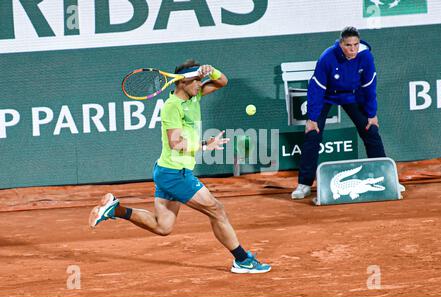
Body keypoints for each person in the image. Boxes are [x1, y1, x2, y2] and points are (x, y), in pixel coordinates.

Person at [89, 59, 271, 274]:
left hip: (166, 171)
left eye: (200, 80)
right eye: (195, 81)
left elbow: (222, 81)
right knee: (217, 211)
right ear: (182, 82)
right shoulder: (171, 107)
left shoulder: (195, 97)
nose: (199, 84)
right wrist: (206, 145)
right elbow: (177, 143)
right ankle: (242, 260)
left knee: (162, 227)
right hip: (176, 173)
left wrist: (210, 71)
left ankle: (116, 209)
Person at [292, 26, 405, 199]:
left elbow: (369, 87)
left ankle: (386, 179)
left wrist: (371, 113)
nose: (352, 49)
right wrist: (312, 118)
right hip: (327, 95)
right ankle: (304, 184)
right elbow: (316, 89)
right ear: (340, 44)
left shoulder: (365, 56)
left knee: (371, 129)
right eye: (348, 45)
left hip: (352, 96)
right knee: (312, 133)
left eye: (355, 45)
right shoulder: (327, 58)